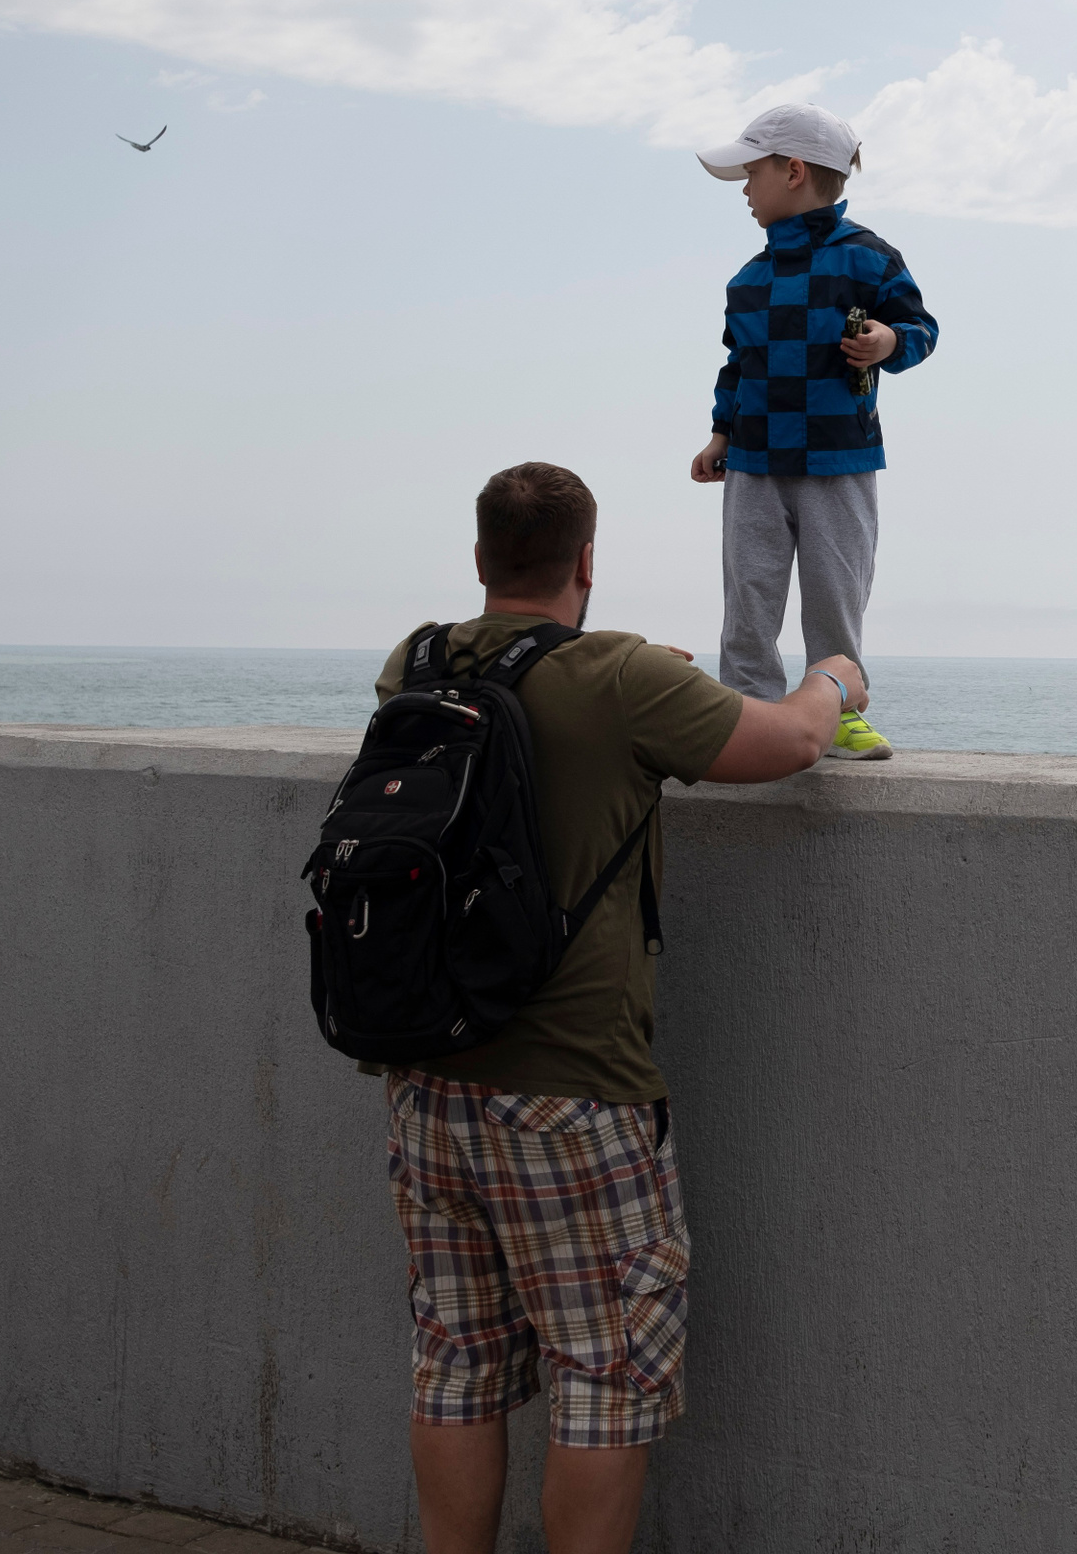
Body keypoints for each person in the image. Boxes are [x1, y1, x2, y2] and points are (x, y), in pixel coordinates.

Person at [369, 461, 867, 1554]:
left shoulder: (416, 660)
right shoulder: (620, 679)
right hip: (574, 1097)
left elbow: (535, 694)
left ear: (479, 558)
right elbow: (788, 744)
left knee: (456, 1361)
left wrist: (637, 672)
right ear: (588, 561)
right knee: (601, 1378)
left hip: (429, 1084)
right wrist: (832, 676)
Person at [690, 103, 938, 759]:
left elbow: (920, 329)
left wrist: (888, 341)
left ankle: (839, 713)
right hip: (753, 461)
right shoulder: (748, 280)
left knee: (835, 593)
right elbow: (737, 366)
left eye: (751, 174)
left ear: (794, 171)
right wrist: (720, 435)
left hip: (839, 461)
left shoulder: (869, 260)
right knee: (749, 595)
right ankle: (747, 711)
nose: (745, 189)